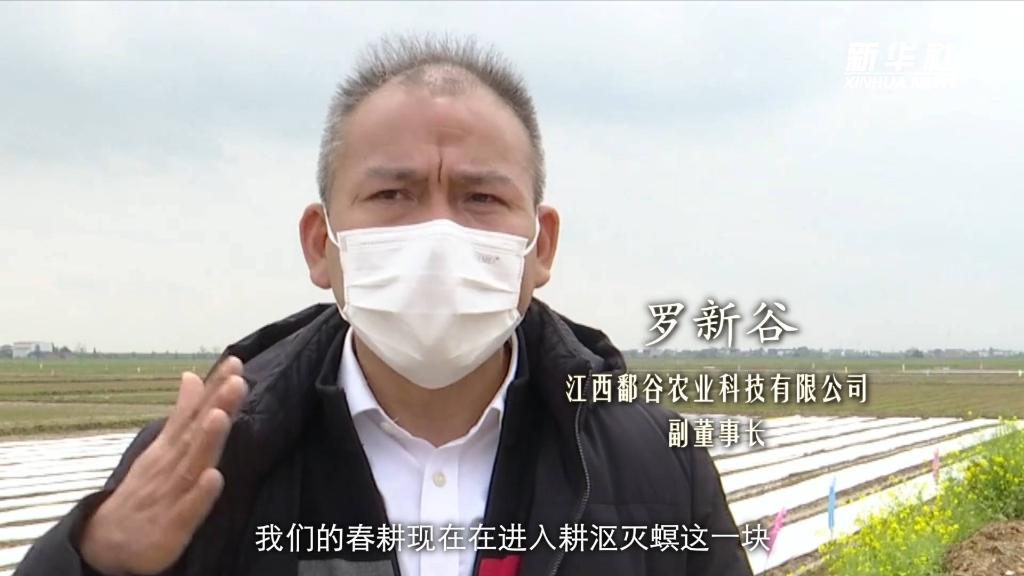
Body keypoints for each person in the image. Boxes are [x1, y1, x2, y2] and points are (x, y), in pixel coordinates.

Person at [14, 34, 753, 576]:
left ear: (542, 245)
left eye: (481, 198)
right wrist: (93, 556)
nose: (438, 235)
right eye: (393, 194)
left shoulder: (657, 464)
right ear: (321, 244)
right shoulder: (210, 465)